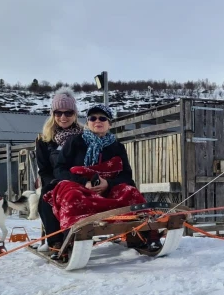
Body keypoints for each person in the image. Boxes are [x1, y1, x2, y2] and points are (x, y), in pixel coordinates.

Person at [44, 103, 159, 253]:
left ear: (109, 123)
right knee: (71, 196)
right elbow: (60, 169)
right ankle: (69, 240)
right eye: (93, 118)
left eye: (102, 118)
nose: (97, 121)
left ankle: (145, 235)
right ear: (88, 123)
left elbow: (126, 174)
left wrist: (108, 184)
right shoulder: (74, 142)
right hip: (80, 187)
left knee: (130, 191)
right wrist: (84, 182)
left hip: (109, 189)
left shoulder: (117, 146)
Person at [35, 87, 84, 251]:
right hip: (56, 181)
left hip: (80, 180)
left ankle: (79, 234)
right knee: (46, 197)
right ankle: (55, 240)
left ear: (75, 114)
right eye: (58, 113)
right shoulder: (44, 140)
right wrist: (53, 183)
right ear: (53, 114)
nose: (63, 117)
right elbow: (44, 170)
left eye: (68, 113)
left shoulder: (84, 136)